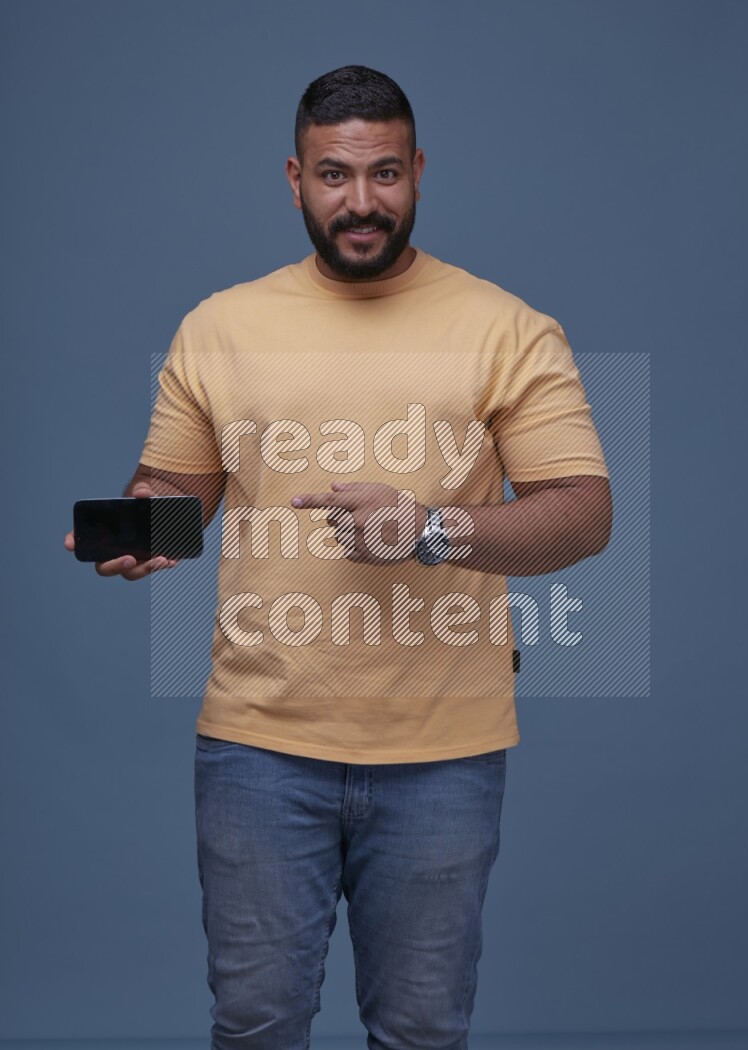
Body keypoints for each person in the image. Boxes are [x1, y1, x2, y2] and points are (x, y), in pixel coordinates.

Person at [65, 65, 611, 1050]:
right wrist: (142, 528)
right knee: (256, 1024)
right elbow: (182, 492)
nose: (361, 202)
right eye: (334, 175)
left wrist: (433, 530)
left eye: (384, 173)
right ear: (293, 178)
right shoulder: (219, 327)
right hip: (256, 750)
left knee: (418, 1031)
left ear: (417, 173)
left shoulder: (507, 329)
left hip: (443, 755)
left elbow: (582, 515)